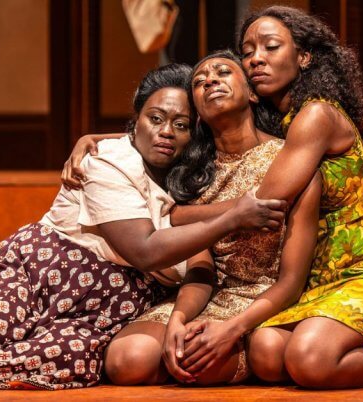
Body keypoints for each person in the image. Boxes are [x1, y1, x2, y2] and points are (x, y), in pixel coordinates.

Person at [0, 64, 287, 390]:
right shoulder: (106, 160)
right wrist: (232, 215)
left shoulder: (190, 180)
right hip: (42, 269)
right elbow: (143, 249)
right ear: (135, 121)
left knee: (70, 359)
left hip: (111, 303)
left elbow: (195, 260)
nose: (166, 132)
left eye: (181, 125)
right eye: (155, 119)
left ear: (193, 134)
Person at [62, 50, 322, 386]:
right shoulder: (189, 170)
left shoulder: (291, 159)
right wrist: (178, 318)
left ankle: (253, 348)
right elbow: (200, 263)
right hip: (204, 293)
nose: (210, 80)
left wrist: (231, 329)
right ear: (197, 112)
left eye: (223, 72)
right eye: (199, 81)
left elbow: (292, 279)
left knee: (214, 358)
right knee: (128, 359)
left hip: (265, 298)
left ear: (252, 93)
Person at [232, 6, 363, 388]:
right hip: (318, 284)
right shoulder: (284, 123)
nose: (255, 58)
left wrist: (178, 215)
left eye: (270, 46)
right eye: (247, 51)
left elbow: (264, 201)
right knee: (266, 355)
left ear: (304, 57)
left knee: (309, 360)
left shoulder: (317, 115)